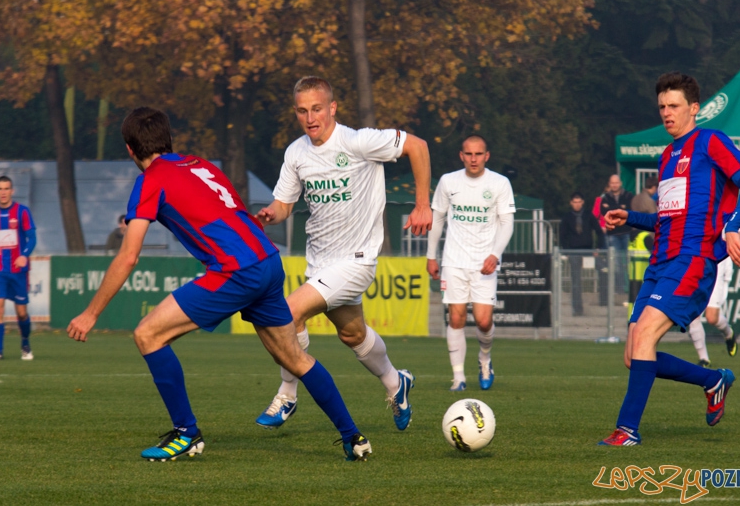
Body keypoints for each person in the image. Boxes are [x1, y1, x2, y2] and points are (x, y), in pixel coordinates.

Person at [67, 107, 372, 462]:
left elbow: (128, 256)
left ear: (130, 150)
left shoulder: (151, 180)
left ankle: (186, 433)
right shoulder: (200, 165)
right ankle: (354, 437)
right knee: (293, 357)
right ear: (168, 139)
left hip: (236, 270)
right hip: (267, 260)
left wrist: (90, 314)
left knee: (148, 334)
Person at [255, 76, 432, 431]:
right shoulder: (296, 152)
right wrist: (271, 214)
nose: (310, 117)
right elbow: (284, 204)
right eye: (302, 111)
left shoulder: (358, 141)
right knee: (352, 334)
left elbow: (419, 146)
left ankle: (287, 395)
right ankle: (397, 384)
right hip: (321, 262)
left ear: (332, 108)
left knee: (287, 314)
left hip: (357, 259)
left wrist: (423, 204)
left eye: (317, 108)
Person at [599, 71, 740, 446]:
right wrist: (633, 218)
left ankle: (626, 431)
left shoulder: (710, 141)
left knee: (642, 338)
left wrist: (733, 226)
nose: (666, 113)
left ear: (694, 108)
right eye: (661, 107)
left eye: (673, 106)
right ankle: (713, 380)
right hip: (661, 263)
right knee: (633, 353)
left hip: (693, 260)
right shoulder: (668, 155)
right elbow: (670, 217)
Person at [426, 135, 515, 391]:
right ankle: (458, 377)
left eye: (478, 154)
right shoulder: (448, 181)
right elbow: (438, 218)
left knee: (484, 321)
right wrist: (431, 255)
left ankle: (484, 359)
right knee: (456, 318)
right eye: (469, 154)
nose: (473, 159)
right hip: (454, 260)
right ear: (461, 156)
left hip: (484, 262)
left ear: (486, 156)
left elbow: (507, 223)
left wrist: (495, 254)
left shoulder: (499, 183)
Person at [0, 176, 36, 361]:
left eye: (6, 188)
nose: (3, 192)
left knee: (21, 312)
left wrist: (23, 255)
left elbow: (32, 238)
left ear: (12, 191)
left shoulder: (22, 212)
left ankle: (25, 342)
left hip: (18, 272)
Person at [559, 192, 604, 317]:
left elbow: (599, 232)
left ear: (582, 202)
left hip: (589, 251)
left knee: (604, 270)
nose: (577, 205)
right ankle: (577, 309)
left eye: (579, 202)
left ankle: (604, 302)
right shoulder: (567, 217)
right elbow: (562, 236)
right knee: (576, 281)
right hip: (574, 252)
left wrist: (598, 248)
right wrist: (566, 251)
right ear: (571, 203)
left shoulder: (588, 215)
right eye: (575, 202)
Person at [688, 257, 738, 367]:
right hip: (697, 266)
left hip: (717, 267)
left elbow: (738, 239)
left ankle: (729, 334)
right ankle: (704, 359)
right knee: (693, 316)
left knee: (712, 317)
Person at [600, 174, 633, 293]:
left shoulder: (628, 195)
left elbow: (629, 210)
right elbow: (604, 212)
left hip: (626, 233)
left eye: (616, 182)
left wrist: (612, 208)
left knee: (629, 262)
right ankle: (620, 289)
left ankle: (631, 288)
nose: (614, 185)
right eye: (612, 183)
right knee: (617, 263)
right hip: (613, 234)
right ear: (609, 184)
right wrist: (620, 208)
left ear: (620, 183)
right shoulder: (605, 197)